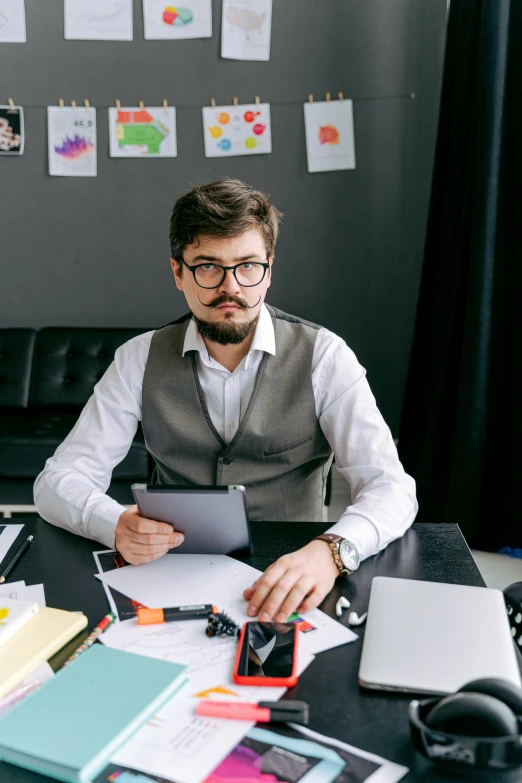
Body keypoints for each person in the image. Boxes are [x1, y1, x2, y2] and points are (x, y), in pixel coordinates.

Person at [34, 178, 418, 623]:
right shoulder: (137, 358)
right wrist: (114, 523)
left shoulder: (326, 356)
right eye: (208, 267)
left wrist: (331, 552)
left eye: (248, 266)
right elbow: (58, 481)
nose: (231, 287)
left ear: (269, 270)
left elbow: (392, 487)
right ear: (178, 273)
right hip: (170, 574)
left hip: (294, 570)